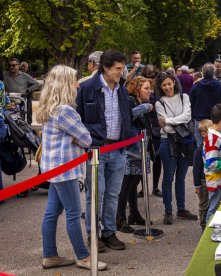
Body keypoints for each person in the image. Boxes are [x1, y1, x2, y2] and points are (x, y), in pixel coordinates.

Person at [37, 65, 106, 271]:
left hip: (53, 166)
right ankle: (83, 257)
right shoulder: (66, 111)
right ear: (66, 84)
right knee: (74, 213)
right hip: (65, 168)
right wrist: (78, 138)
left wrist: (76, 138)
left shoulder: (50, 107)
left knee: (52, 212)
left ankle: (50, 254)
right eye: (75, 81)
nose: (77, 85)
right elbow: (86, 138)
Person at [76, 50, 132, 252]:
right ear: (106, 68)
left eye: (122, 68)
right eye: (118, 68)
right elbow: (79, 118)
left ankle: (109, 232)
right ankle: (93, 234)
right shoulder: (87, 88)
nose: (121, 72)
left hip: (118, 150)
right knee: (95, 194)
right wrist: (89, 142)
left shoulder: (122, 89)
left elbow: (126, 115)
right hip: (97, 150)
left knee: (113, 195)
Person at [155, 71, 198, 225]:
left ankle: (181, 209)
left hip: (185, 142)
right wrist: (175, 124)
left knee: (181, 178)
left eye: (169, 83)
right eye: (164, 85)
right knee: (168, 178)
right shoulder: (159, 103)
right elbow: (166, 130)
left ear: (174, 82)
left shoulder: (184, 97)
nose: (167, 87)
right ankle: (168, 211)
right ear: (160, 87)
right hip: (168, 143)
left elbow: (188, 117)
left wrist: (168, 120)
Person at [116, 76, 153, 233]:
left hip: (142, 150)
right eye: (146, 88)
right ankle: (120, 219)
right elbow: (128, 116)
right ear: (137, 88)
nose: (149, 91)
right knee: (125, 186)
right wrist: (146, 107)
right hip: (131, 150)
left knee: (133, 185)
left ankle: (134, 214)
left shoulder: (140, 102)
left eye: (150, 88)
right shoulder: (131, 100)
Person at [189, 63, 221, 146]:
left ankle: (202, 159)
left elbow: (191, 103)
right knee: (216, 144)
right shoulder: (220, 86)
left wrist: (193, 115)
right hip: (215, 120)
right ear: (213, 72)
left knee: (200, 145)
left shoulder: (196, 86)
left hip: (199, 119)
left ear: (202, 72)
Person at [141, 65, 163, 198]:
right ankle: (144, 187)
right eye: (148, 77)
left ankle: (155, 187)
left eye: (152, 77)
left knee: (157, 159)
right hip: (143, 128)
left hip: (156, 128)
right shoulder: (141, 88)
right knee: (143, 159)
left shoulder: (159, 90)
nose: (150, 79)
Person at [3, 57, 40, 125]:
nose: (11, 67)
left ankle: (27, 126)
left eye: (13, 65)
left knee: (25, 113)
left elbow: (36, 84)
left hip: (21, 100)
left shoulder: (24, 75)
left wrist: (28, 90)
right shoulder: (4, 74)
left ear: (18, 65)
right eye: (9, 65)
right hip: (8, 100)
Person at [193, 119, 212, 231]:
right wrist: (197, 186)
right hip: (203, 182)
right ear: (203, 134)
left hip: (213, 180)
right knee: (204, 205)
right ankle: (203, 227)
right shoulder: (199, 150)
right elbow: (196, 169)